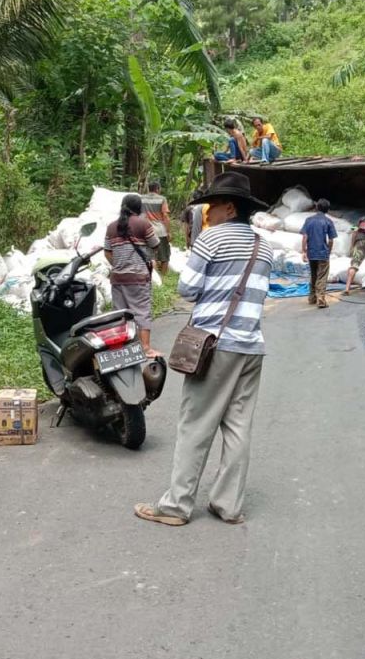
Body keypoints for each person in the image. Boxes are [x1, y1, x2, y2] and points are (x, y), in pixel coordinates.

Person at [134, 172, 274, 527]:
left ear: (230, 207)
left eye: (212, 206)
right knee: (238, 426)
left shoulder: (210, 240)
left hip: (215, 346)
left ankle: (176, 506)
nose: (207, 213)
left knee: (195, 423)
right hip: (251, 346)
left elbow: (188, 289)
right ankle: (228, 505)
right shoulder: (264, 245)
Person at [104, 194, 162, 356]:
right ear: (139, 207)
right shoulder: (143, 224)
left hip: (117, 278)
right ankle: (145, 348)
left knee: (120, 313)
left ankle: (121, 349)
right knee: (142, 311)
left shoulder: (111, 227)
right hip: (138, 277)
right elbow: (155, 245)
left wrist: (118, 264)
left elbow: (107, 252)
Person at [300, 198, 337, 309]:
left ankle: (312, 298)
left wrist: (304, 251)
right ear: (327, 210)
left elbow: (305, 237)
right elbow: (331, 240)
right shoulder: (328, 221)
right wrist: (328, 251)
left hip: (311, 252)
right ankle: (320, 297)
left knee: (313, 275)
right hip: (322, 252)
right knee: (322, 275)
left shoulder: (308, 220)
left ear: (316, 207)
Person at [141, 181, 172, 276]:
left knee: (150, 256)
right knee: (164, 256)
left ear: (149, 189)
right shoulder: (162, 199)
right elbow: (165, 216)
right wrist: (168, 231)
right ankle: (163, 278)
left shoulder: (141, 199)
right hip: (160, 231)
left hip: (146, 231)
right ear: (157, 189)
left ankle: (153, 278)